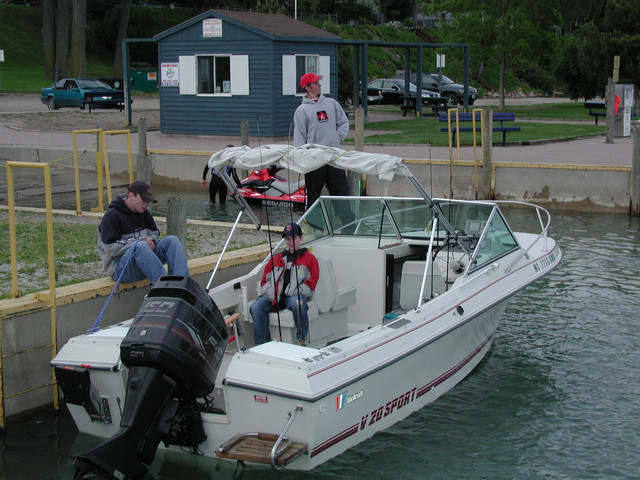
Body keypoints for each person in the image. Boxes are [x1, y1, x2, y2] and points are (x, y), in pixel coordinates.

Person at [97, 180, 189, 285]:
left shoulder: (144, 213)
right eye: (143, 200)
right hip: (120, 269)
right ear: (131, 195)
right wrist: (139, 242)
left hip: (145, 262)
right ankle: (165, 287)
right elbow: (110, 249)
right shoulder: (112, 216)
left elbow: (155, 235)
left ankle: (182, 285)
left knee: (172, 241)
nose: (146, 204)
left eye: (148, 201)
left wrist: (152, 241)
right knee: (140, 246)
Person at [250, 222, 319, 346]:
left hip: (293, 297)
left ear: (301, 238)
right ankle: (264, 345)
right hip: (273, 297)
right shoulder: (276, 259)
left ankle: (302, 339)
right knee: (256, 307)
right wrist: (271, 292)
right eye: (288, 239)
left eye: (294, 238)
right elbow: (265, 281)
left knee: (299, 304)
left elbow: (311, 284)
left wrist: (295, 291)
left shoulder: (310, 259)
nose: (291, 242)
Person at [293, 72, 351, 210]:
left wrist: (337, 137)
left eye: (319, 82)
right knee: (313, 198)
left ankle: (348, 228)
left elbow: (343, 123)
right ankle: (314, 228)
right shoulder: (302, 111)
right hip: (314, 161)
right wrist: (302, 159)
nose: (319, 85)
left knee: (342, 195)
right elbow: (299, 138)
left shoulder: (332, 104)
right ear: (307, 87)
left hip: (333, 158)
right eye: (315, 83)